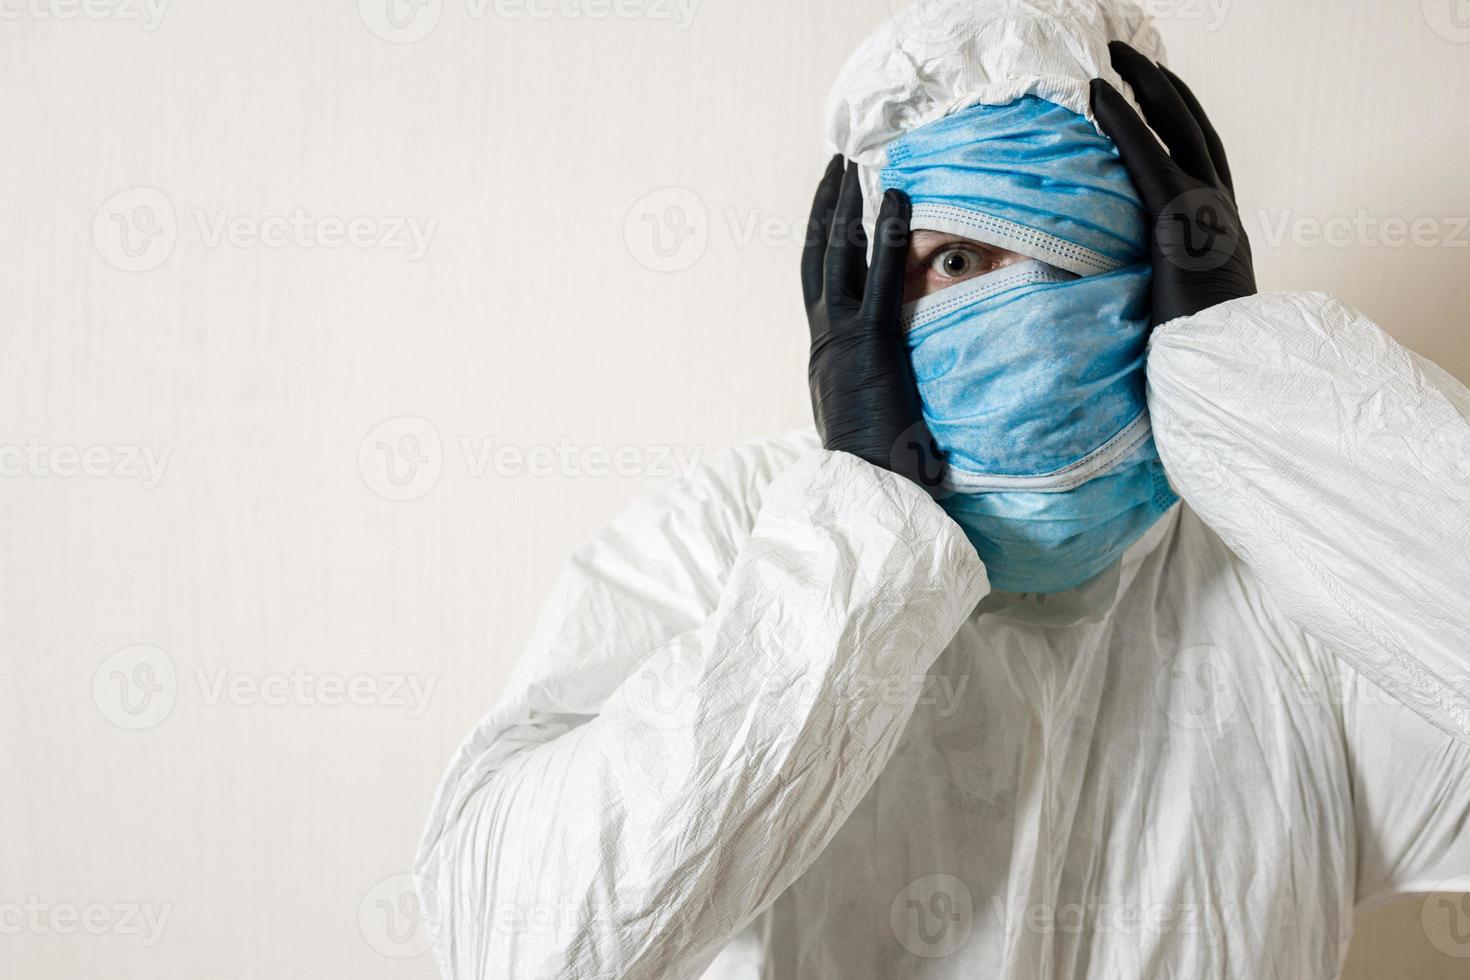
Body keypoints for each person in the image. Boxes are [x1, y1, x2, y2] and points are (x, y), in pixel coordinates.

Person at [414, 1, 1470, 977]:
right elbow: (515, 941)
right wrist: (856, 542)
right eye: (958, 260)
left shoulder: (1294, 579)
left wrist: (1263, 390)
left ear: (1166, 283)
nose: (1033, 321)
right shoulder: (730, 538)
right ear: (862, 293)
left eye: (1084, 254)